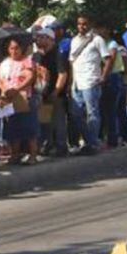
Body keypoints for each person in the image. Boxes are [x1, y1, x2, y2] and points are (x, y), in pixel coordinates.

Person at [69, 15, 112, 156]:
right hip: (77, 82)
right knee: (76, 114)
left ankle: (92, 144)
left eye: (85, 24)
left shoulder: (97, 39)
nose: (82, 26)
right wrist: (71, 82)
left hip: (91, 81)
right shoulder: (74, 41)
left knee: (92, 113)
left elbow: (108, 59)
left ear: (90, 24)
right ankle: (90, 140)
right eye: (79, 24)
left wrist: (103, 76)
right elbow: (72, 62)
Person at [0, 36, 39, 165]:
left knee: (29, 128)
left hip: (24, 97)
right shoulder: (4, 63)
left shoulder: (27, 61)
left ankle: (33, 155)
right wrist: (4, 89)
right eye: (11, 48)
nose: (14, 51)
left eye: (17, 48)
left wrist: (17, 89)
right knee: (12, 127)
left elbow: (30, 77)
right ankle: (15, 155)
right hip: (9, 98)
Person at [35, 25, 70, 158]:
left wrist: (56, 91)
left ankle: (61, 147)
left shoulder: (57, 54)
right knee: (45, 121)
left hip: (55, 93)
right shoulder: (37, 56)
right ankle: (48, 145)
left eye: (41, 37)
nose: (38, 40)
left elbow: (63, 74)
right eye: (37, 37)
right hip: (42, 93)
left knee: (58, 121)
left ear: (50, 39)